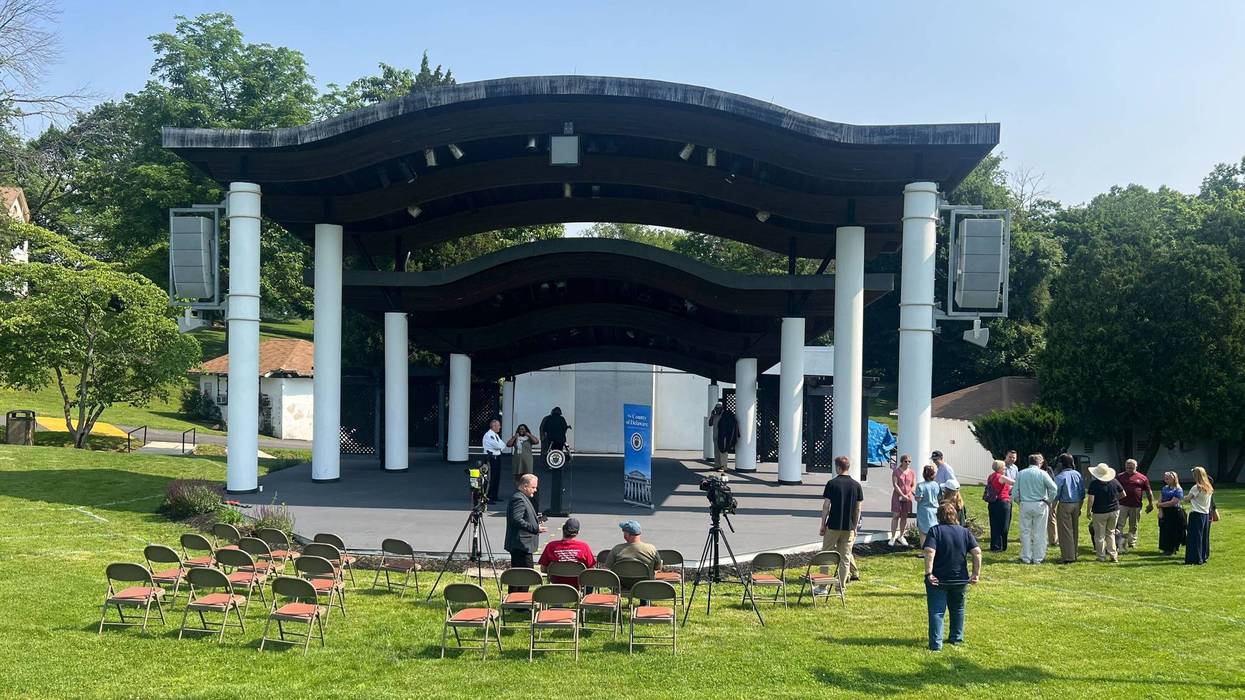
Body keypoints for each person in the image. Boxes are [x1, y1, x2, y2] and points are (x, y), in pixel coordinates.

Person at [923, 502, 982, 652]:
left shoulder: (935, 531)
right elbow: (977, 552)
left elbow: (930, 551)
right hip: (960, 578)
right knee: (958, 608)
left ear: (938, 516)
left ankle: (936, 644)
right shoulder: (964, 532)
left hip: (939, 579)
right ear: (955, 515)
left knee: (937, 611)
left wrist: (929, 573)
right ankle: (956, 638)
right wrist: (976, 573)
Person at [819, 456, 863, 581]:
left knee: (826, 555)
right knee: (845, 557)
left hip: (833, 524)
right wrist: (855, 526)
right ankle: (841, 587)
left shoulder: (832, 483)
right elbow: (858, 509)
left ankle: (823, 585)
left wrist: (823, 524)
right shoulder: (856, 485)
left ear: (838, 468)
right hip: (849, 526)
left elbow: (826, 506)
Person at [503, 474, 546, 591]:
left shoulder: (521, 497)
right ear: (525, 486)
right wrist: (534, 528)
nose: (535, 490)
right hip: (521, 545)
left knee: (518, 575)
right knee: (525, 575)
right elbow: (516, 519)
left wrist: (535, 521)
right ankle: (519, 599)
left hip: (521, 544)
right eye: (533, 487)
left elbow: (521, 517)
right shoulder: (519, 499)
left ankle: (515, 597)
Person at [1014, 453, 1057, 564]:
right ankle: (1038, 557)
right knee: (1040, 532)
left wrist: (1019, 501)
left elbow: (1014, 492)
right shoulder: (1043, 473)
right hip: (1040, 504)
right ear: (1040, 463)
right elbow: (1054, 488)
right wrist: (1049, 500)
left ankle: (1026, 557)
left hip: (1025, 504)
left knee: (1025, 531)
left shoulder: (1021, 473)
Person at [601, 520, 662, 591]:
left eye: (624, 532)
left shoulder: (617, 549)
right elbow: (658, 567)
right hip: (645, 585)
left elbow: (607, 569)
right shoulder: (652, 549)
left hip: (621, 586)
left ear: (628, 534)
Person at [537, 517, 595, 585]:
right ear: (577, 533)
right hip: (578, 584)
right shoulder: (584, 547)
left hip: (556, 584)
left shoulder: (551, 546)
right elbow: (591, 569)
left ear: (563, 529)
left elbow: (543, 569)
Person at [1086, 463, 1124, 563]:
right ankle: (1113, 555)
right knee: (1110, 533)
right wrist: (1115, 500)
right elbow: (1123, 494)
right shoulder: (1114, 481)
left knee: (1099, 535)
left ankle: (1101, 556)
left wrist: (1088, 511)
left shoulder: (1094, 484)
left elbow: (1091, 499)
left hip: (1099, 512)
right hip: (1114, 510)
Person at [1114, 458, 1154, 553]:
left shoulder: (1142, 478)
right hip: (1122, 504)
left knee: (1134, 525)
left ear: (1136, 467)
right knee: (1120, 525)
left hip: (1136, 505)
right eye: (1127, 467)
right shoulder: (1120, 476)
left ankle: (1131, 542)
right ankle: (1118, 542)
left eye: (1131, 468)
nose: (1129, 469)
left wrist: (1150, 503)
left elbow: (1148, 491)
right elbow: (1114, 489)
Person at [1053, 453, 1085, 563]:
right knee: (1075, 530)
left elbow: (1056, 493)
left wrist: (1052, 507)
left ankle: (1068, 557)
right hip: (1077, 503)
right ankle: (1074, 553)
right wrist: (1080, 507)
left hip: (1065, 504)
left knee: (1065, 531)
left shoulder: (1060, 476)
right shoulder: (1077, 474)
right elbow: (1082, 492)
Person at [1183, 466, 1215, 565]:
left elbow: (1187, 499)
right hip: (1205, 514)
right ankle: (1203, 556)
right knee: (1203, 536)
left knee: (1194, 537)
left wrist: (1181, 497)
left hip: (1196, 513)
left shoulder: (1196, 487)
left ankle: (1194, 558)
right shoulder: (1208, 487)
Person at [985, 459, 1015, 552]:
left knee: (994, 525)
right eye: (1004, 467)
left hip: (992, 502)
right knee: (1004, 525)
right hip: (1002, 502)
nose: (1005, 469)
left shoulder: (991, 476)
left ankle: (995, 545)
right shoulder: (1001, 477)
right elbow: (1014, 482)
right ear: (1000, 468)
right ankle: (1002, 545)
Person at [1156, 471, 1186, 556]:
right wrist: (1160, 511)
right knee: (1164, 530)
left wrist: (1160, 505)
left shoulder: (1178, 489)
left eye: (1168, 478)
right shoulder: (1164, 488)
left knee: (1173, 531)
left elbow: (1174, 502)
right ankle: (1165, 548)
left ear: (1174, 478)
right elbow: (1160, 499)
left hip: (1174, 512)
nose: (1166, 479)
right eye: (1165, 478)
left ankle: (1172, 548)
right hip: (1165, 511)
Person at [889, 454, 916, 546]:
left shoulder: (912, 472)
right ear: (902, 461)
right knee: (896, 515)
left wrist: (908, 494)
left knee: (904, 516)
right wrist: (902, 495)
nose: (908, 463)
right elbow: (895, 484)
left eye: (909, 461)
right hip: (897, 496)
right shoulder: (896, 472)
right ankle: (893, 536)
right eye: (906, 461)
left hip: (907, 497)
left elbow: (913, 485)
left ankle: (901, 536)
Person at [914, 464, 942, 546]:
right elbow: (939, 497)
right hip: (935, 510)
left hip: (924, 511)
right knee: (934, 531)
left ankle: (924, 549)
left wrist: (915, 495)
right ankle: (934, 548)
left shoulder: (920, 485)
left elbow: (918, 499)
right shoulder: (936, 485)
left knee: (923, 532)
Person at [482, 419, 506, 503]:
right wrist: (500, 446)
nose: (500, 427)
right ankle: (488, 497)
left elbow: (503, 445)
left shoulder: (495, 435)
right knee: (490, 478)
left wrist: (500, 446)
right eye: (498, 425)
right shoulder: (489, 435)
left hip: (497, 458)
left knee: (496, 477)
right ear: (493, 426)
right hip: (491, 458)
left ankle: (494, 495)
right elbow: (498, 446)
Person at [1038, 455, 1059, 548]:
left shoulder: (1048, 469)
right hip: (1038, 497)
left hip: (1048, 496)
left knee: (1051, 518)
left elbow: (1053, 483)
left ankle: (1053, 539)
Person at [713, 404, 739, 472]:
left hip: (722, 436)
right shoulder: (715, 416)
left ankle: (724, 467)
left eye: (718, 408)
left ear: (721, 408)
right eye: (716, 408)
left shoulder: (725, 415)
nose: (717, 410)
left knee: (723, 451)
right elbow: (710, 423)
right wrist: (712, 415)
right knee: (716, 452)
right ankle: (717, 465)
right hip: (715, 436)